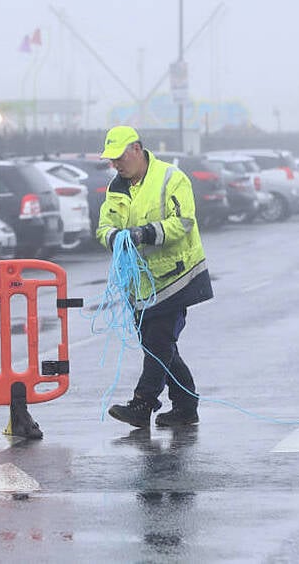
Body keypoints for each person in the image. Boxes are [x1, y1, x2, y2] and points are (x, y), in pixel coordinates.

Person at [96, 126, 213, 428]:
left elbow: (184, 222)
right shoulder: (115, 188)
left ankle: (143, 404)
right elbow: (103, 226)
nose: (116, 165)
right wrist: (113, 238)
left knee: (159, 342)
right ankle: (186, 406)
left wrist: (146, 233)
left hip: (177, 276)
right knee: (158, 346)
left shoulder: (171, 178)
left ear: (136, 149)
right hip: (141, 284)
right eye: (111, 160)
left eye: (119, 157)